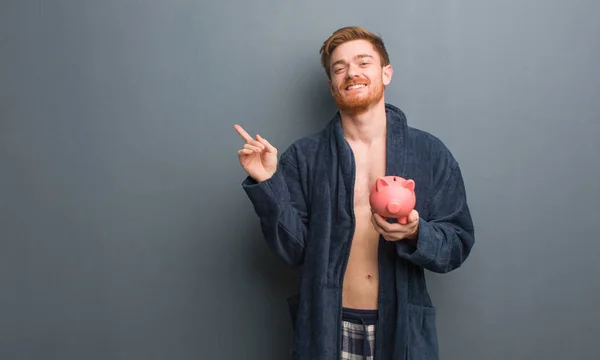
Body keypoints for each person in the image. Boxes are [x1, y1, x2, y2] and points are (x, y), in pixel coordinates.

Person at [233, 26, 475, 360]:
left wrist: (417, 232)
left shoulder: (429, 153)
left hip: (401, 329)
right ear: (332, 84)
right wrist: (268, 182)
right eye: (339, 68)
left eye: (364, 62)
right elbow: (294, 251)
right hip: (328, 327)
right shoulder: (305, 157)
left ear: (385, 73)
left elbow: (458, 242)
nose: (352, 73)